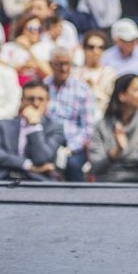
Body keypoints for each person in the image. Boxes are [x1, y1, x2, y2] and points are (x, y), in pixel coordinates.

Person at [0, 79, 66, 181]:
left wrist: (34, 125)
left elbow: (42, 158)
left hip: (38, 182)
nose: (36, 104)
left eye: (40, 99)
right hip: (5, 178)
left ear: (47, 101)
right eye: (30, 99)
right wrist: (27, 165)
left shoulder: (55, 128)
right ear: (22, 101)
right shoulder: (3, 125)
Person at [89, 73, 138, 182]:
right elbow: (95, 168)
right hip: (110, 182)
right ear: (122, 95)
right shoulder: (102, 126)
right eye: (137, 90)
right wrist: (117, 151)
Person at [43, 46, 94, 182]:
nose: (63, 68)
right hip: (47, 142)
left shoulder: (83, 89)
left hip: (73, 144)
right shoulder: (43, 87)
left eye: (67, 64)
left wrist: (71, 148)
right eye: (59, 64)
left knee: (72, 165)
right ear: (51, 65)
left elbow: (88, 127)